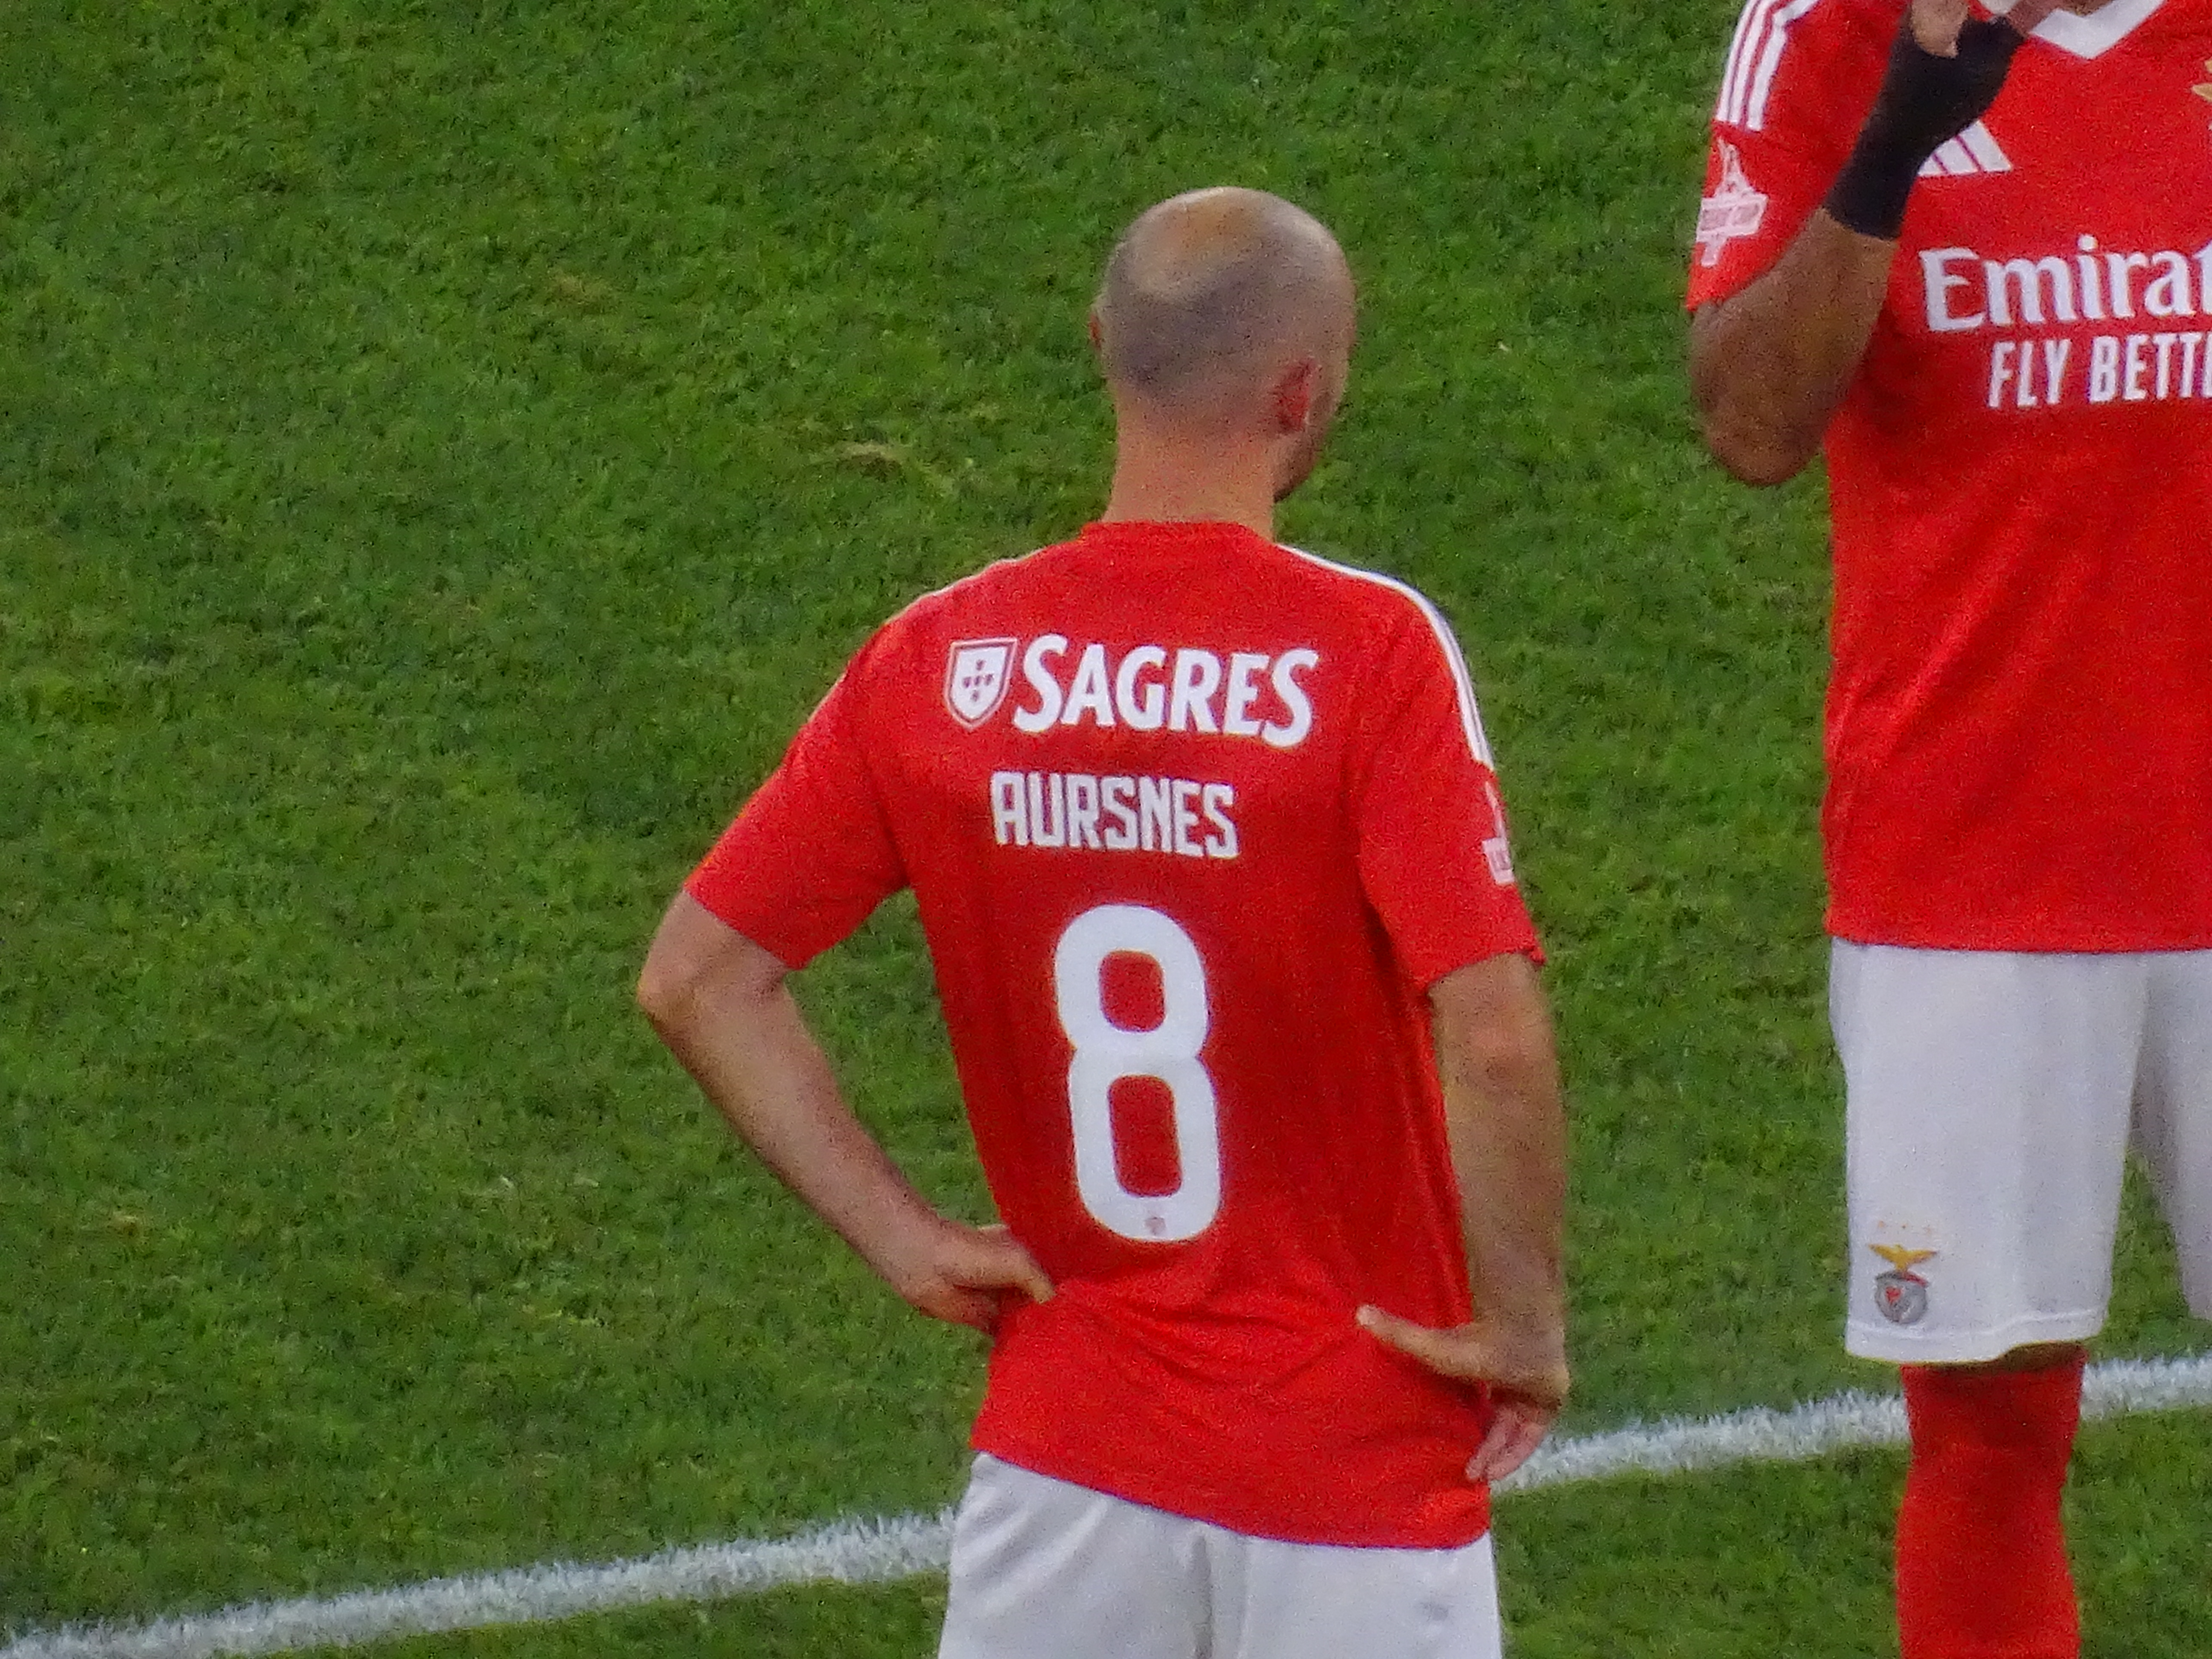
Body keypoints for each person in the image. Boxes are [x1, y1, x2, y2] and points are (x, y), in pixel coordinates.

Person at [637, 186, 1569, 1659]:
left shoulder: (941, 661)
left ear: (1099, 345)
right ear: (1304, 391)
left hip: (1065, 1457)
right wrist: (1524, 1327)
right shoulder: (1370, 654)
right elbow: (1499, 1039)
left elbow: (698, 978)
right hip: (1354, 1459)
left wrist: (904, 1239)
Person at [1687, 1, 2212, 1655]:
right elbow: (1753, 421)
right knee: (1989, 1432)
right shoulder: (1827, 33)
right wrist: (1895, 143)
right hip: (1970, 873)